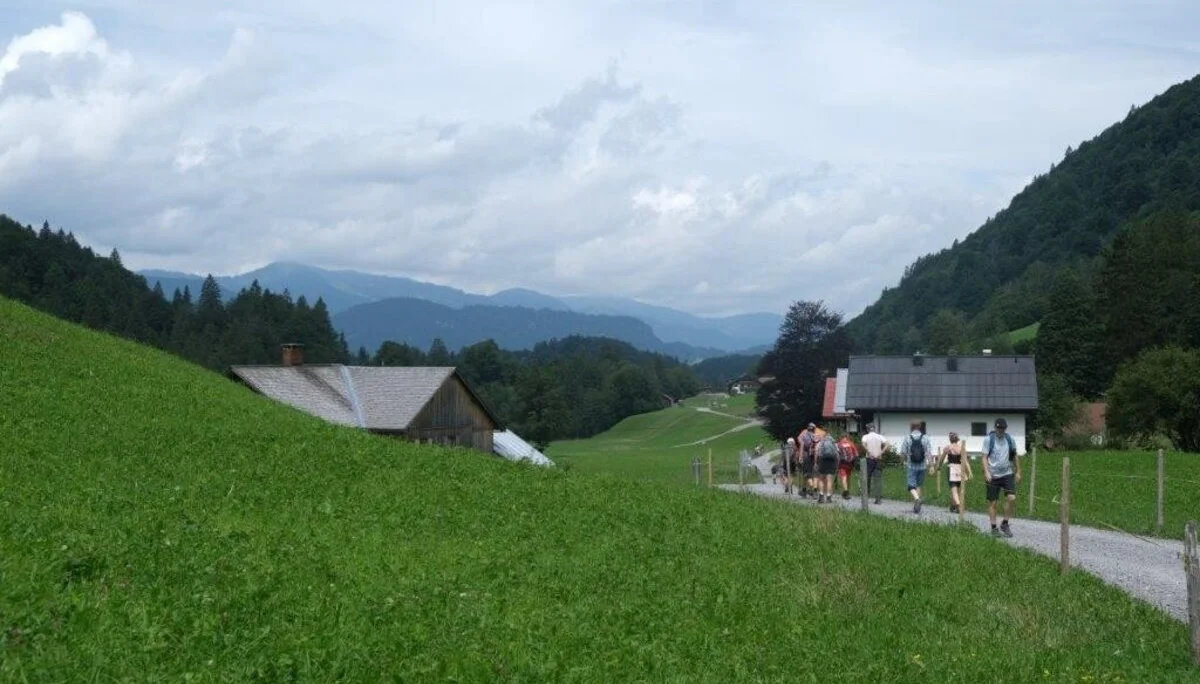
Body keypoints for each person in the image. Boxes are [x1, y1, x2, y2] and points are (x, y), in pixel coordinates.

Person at [983, 418, 1021, 538]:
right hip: (993, 475)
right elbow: (984, 457)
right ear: (995, 427)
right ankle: (994, 528)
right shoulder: (989, 439)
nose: (1001, 430)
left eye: (1003, 428)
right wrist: (986, 472)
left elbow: (1014, 456)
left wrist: (1018, 471)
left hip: (1007, 473)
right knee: (993, 502)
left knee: (1012, 498)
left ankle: (1005, 523)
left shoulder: (1009, 439)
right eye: (999, 428)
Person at [899, 420, 933, 514]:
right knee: (918, 485)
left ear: (911, 427)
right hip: (922, 466)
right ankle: (917, 507)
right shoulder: (925, 438)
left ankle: (917, 500)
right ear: (920, 427)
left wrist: (902, 462)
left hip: (911, 465)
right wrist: (931, 465)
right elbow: (928, 453)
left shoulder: (907, 438)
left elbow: (903, 452)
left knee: (911, 486)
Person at [938, 432, 972, 513]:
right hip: (960, 468)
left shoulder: (948, 448)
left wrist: (939, 466)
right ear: (957, 439)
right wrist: (970, 472)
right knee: (959, 488)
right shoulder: (961, 448)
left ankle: (958, 505)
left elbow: (942, 458)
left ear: (950, 439)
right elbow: (965, 461)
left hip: (951, 468)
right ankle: (954, 505)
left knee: (953, 488)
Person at [860, 424, 887, 504]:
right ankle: (878, 499)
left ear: (868, 429)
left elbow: (863, 444)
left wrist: (868, 452)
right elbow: (887, 444)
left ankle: (866, 496)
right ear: (874, 429)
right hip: (878, 459)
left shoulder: (865, 437)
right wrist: (881, 452)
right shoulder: (880, 436)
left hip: (869, 458)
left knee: (867, 477)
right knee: (878, 478)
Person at [815, 432, 840, 503]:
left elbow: (817, 453)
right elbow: (837, 455)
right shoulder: (834, 443)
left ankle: (821, 496)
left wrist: (816, 463)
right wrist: (837, 464)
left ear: (824, 437)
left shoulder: (820, 443)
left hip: (823, 460)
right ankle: (829, 497)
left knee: (821, 479)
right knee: (829, 480)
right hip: (832, 461)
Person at [836, 434, 859, 500]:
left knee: (843, 478)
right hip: (850, 464)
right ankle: (848, 491)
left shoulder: (839, 444)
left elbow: (836, 455)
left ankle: (846, 492)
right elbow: (856, 454)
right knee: (848, 478)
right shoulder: (851, 443)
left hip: (842, 464)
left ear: (841, 437)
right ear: (847, 437)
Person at [798, 423, 818, 498]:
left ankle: (812, 489)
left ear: (808, 428)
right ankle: (805, 490)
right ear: (814, 429)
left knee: (806, 474)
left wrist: (800, 457)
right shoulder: (816, 436)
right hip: (815, 457)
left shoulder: (804, 436)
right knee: (813, 475)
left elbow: (802, 446)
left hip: (806, 457)